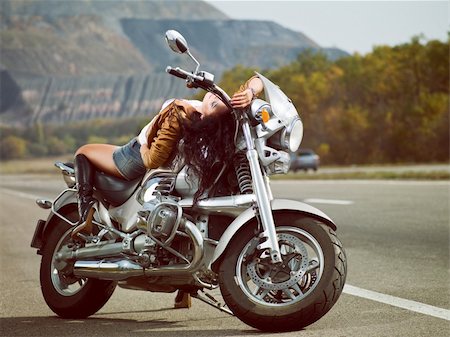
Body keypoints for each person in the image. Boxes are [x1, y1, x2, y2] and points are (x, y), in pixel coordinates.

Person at [73, 75, 264, 231]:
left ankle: (85, 214)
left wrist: (142, 145)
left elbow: (152, 160)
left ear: (205, 119)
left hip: (133, 156)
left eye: (215, 104)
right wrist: (250, 92)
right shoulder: (217, 120)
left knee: (83, 151)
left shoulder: (181, 115)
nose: (215, 97)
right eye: (221, 99)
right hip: (150, 156)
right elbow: (258, 79)